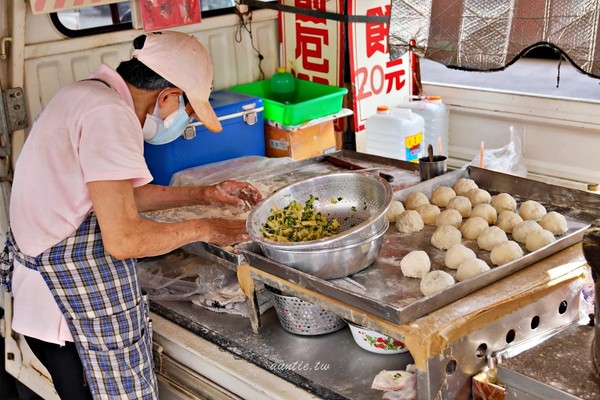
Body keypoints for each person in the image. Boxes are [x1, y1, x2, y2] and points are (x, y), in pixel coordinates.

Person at [1, 31, 262, 399]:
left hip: (41, 304)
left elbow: (120, 196)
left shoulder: (83, 94)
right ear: (168, 95)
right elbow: (125, 240)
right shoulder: (110, 115)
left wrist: (204, 194)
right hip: (70, 317)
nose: (183, 119)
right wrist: (205, 227)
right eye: (187, 109)